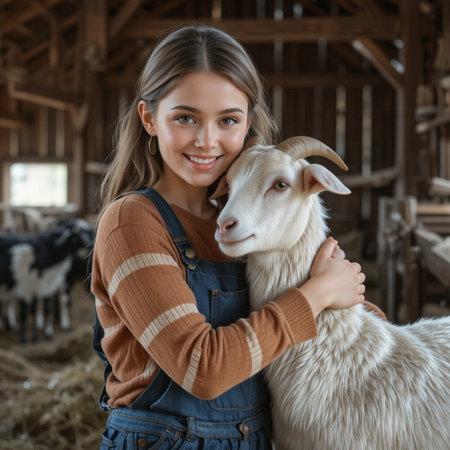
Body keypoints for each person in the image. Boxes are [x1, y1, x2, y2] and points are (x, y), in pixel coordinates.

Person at [91, 25, 368, 449]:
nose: (207, 141)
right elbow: (201, 369)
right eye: (185, 118)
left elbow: (340, 306)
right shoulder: (133, 224)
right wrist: (317, 295)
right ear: (149, 119)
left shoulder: (249, 225)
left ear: (248, 124)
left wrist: (346, 298)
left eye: (228, 120)